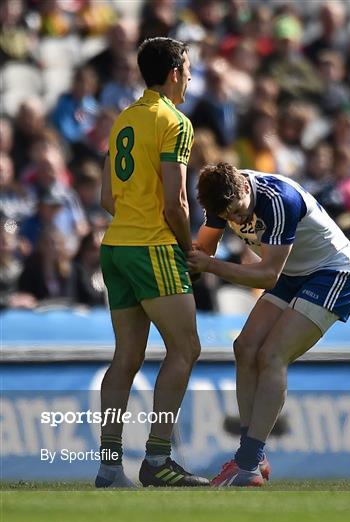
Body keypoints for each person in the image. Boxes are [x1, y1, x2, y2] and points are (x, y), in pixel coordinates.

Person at [188, 162, 350, 486]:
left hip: (334, 273)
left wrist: (210, 266)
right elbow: (206, 246)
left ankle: (249, 463)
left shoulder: (277, 200)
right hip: (293, 272)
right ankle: (251, 457)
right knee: (245, 348)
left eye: (237, 211)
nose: (236, 221)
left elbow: (268, 274)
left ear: (242, 187)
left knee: (272, 356)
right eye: (227, 217)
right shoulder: (221, 198)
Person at [97, 37, 209, 488]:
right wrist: (188, 250)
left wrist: (133, 222)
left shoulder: (124, 118)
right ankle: (158, 461)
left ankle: (109, 465)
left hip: (115, 246)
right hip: (152, 247)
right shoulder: (175, 122)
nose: (189, 77)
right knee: (186, 349)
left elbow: (107, 197)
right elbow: (176, 202)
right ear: (175, 72)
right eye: (188, 68)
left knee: (126, 356)